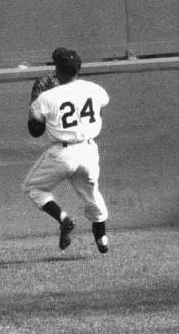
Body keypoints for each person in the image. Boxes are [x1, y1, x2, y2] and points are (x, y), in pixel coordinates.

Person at [23, 48, 111, 254]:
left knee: (35, 189)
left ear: (58, 71)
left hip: (63, 153)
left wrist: (36, 101)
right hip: (89, 151)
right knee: (93, 197)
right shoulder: (95, 89)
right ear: (78, 69)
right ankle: (102, 240)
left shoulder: (48, 97)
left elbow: (35, 130)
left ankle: (64, 219)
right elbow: (100, 106)